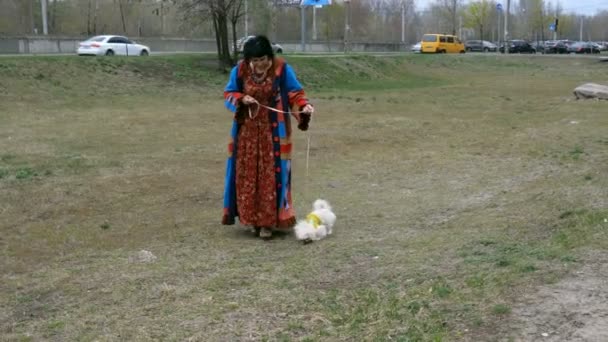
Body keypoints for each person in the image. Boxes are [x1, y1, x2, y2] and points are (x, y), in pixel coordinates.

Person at [221, 35, 314, 239]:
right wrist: (241, 98)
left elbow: (295, 93)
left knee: (270, 178)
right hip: (246, 135)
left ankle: (268, 224)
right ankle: (252, 220)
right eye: (255, 60)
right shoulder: (240, 70)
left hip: (273, 134)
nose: (259, 64)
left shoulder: (281, 70)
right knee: (247, 177)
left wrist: (303, 106)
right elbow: (228, 93)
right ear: (248, 60)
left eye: (263, 59)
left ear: (269, 56)